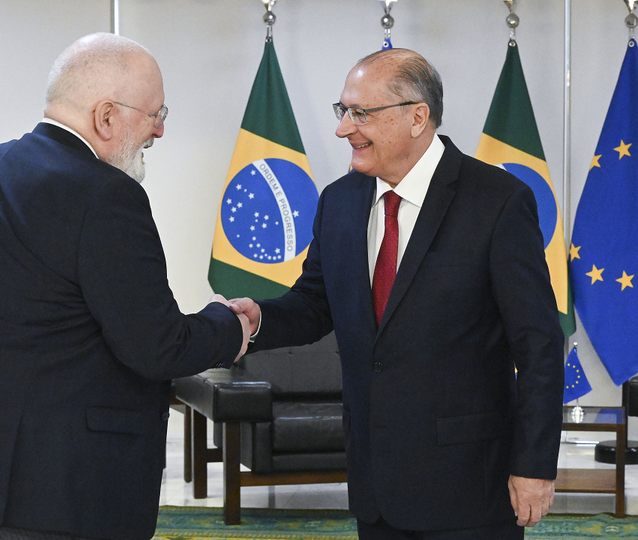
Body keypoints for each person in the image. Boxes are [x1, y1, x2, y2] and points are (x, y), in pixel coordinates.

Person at [0, 33, 250, 540]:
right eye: (156, 113)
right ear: (107, 117)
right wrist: (229, 325)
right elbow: (155, 346)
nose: (161, 129)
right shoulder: (107, 196)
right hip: (37, 496)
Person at [231, 48, 564, 539]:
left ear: (417, 117)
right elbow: (316, 303)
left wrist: (535, 465)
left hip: (469, 483)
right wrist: (259, 318)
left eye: (360, 113)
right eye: (342, 111)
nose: (344, 129)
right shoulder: (338, 202)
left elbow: (538, 343)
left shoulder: (497, 201)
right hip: (375, 481)